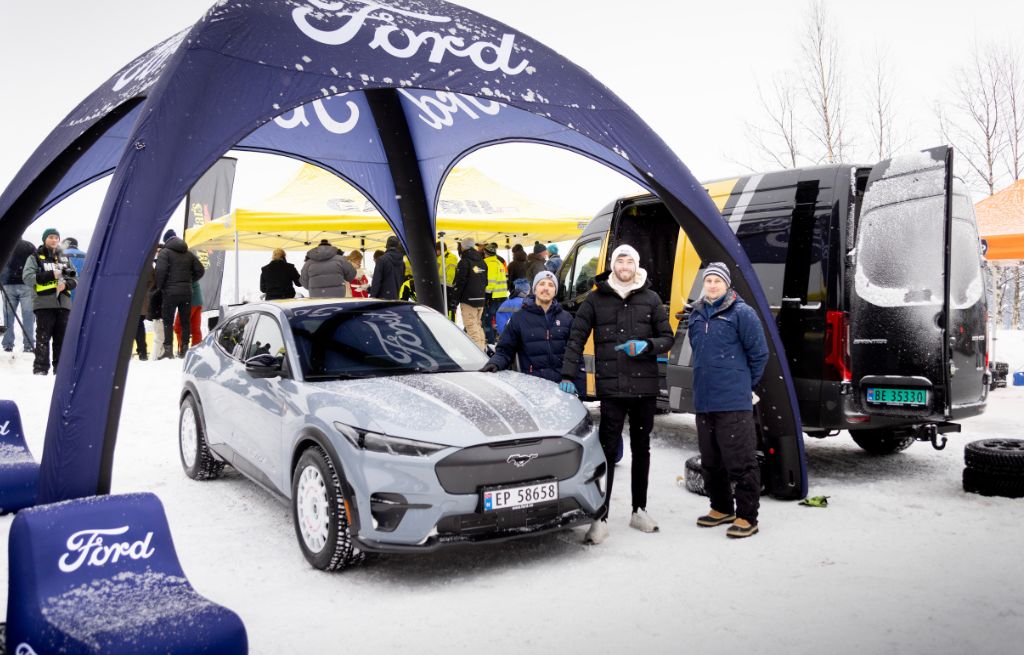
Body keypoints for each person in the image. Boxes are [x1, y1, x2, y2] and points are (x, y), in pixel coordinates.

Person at [560, 244, 674, 544]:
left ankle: (639, 510)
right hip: (612, 388)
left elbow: (667, 337)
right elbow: (576, 338)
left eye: (630, 261)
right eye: (620, 260)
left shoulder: (651, 299)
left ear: (636, 266)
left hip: (644, 388)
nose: (625, 265)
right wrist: (567, 375)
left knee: (641, 449)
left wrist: (647, 346)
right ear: (613, 265)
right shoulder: (596, 299)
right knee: (608, 451)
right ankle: (601, 516)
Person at [686, 262, 769, 539]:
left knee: (740, 460)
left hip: (733, 401)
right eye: (708, 281)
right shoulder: (696, 315)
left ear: (727, 285)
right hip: (705, 399)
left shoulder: (742, 313)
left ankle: (747, 516)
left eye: (717, 281)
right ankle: (721, 507)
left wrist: (744, 384)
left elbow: (759, 354)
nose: (712, 285)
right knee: (711, 459)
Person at [484, 272, 584, 388]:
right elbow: (505, 351)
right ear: (534, 289)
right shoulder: (519, 318)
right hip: (532, 386)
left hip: (561, 386)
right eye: (542, 284)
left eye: (551, 285)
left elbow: (575, 353)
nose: (546, 288)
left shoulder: (566, 318)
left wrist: (574, 383)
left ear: (555, 291)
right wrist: (494, 363)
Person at [22, 228, 77, 375]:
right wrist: (51, 274)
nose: (54, 240)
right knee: (43, 337)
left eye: (56, 238)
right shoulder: (35, 257)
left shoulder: (64, 258)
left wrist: (66, 284)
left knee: (62, 339)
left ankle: (60, 369)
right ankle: (41, 369)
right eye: (51, 237)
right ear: (45, 239)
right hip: (44, 303)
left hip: (63, 303)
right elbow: (27, 277)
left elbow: (75, 278)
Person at [154, 229, 205, 359]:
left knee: (168, 321)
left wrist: (161, 287)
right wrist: (188, 281)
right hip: (187, 293)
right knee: (185, 322)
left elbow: (160, 271)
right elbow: (200, 270)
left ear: (166, 241)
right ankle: (184, 350)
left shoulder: (165, 253)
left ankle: (168, 351)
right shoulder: (188, 253)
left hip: (170, 293)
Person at [450, 237, 488, 350]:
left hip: (468, 300)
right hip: (481, 298)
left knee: (471, 327)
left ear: (463, 247)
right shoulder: (482, 262)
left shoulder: (464, 262)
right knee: (477, 325)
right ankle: (483, 349)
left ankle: (479, 355)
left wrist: (454, 300)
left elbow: (460, 282)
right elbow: (485, 282)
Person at [2, 238, 37, 353]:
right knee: (28, 316)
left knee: (8, 316)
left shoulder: (5, 244)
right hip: (26, 285)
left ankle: (8, 344)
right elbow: (37, 264)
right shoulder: (29, 246)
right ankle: (29, 345)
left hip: (7, 285)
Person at [482, 242, 509, 344]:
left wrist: (487, 295)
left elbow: (491, 281)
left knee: (488, 319)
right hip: (502, 296)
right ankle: (502, 339)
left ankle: (490, 341)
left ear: (485, 252)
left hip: (493, 296)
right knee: (500, 319)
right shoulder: (499, 262)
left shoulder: (488, 263)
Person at [173, 280, 204, 349]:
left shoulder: (182, 271)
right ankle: (196, 349)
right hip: (198, 300)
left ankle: (183, 350)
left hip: (189, 302)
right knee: (195, 328)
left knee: (178, 327)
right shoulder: (191, 270)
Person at [436, 241, 458, 317]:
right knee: (447, 307)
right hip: (448, 286)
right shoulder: (450, 257)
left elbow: (450, 273)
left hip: (445, 286)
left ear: (439, 249)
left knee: (445, 307)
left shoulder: (444, 258)